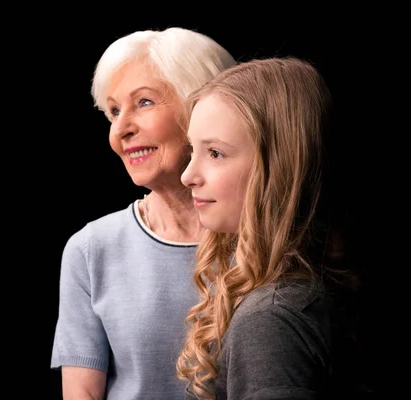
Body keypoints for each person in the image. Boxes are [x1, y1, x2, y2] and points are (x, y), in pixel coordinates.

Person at [50, 27, 236, 399]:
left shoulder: (268, 237)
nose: (120, 129)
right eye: (114, 111)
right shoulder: (90, 249)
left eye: (144, 102)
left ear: (202, 108)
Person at [177, 57, 362, 399]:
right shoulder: (307, 291)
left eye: (215, 153)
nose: (188, 175)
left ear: (279, 167)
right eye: (192, 151)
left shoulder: (271, 320)